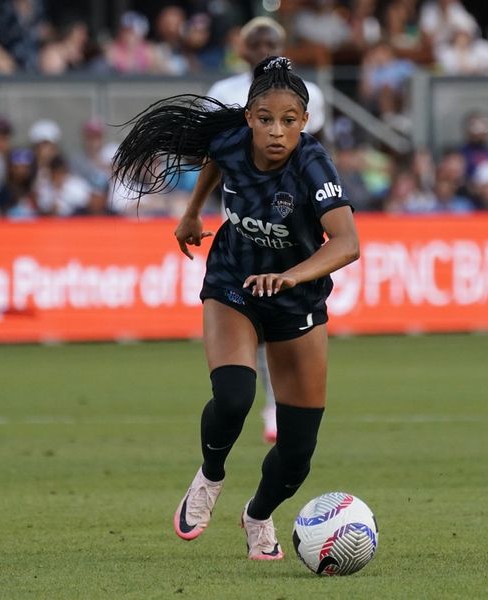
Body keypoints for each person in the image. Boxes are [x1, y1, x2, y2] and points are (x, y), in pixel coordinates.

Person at [110, 56, 359, 559]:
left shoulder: (313, 165)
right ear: (248, 117)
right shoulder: (230, 141)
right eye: (265, 118)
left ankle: (258, 515)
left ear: (304, 122)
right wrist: (190, 211)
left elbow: (348, 242)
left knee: (296, 455)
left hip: (296, 302)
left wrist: (290, 276)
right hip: (234, 282)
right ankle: (209, 476)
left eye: (289, 121)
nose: (276, 130)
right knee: (234, 395)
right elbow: (216, 159)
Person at [206, 17, 327, 443]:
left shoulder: (308, 93)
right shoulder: (223, 93)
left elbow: (314, 152)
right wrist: (192, 210)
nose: (263, 46)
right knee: (248, 323)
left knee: (283, 326)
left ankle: (277, 403)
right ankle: (258, 400)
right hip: (244, 226)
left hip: (292, 230)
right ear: (243, 47)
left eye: (270, 39)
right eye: (255, 39)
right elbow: (216, 154)